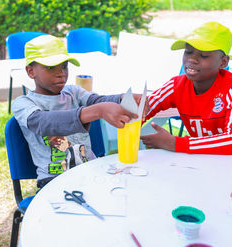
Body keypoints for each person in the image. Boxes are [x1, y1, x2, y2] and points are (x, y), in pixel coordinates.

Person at [140, 22, 232, 165]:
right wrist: (131, 121)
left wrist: (176, 143)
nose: (192, 59)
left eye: (204, 55)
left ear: (223, 62)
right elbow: (142, 110)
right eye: (188, 52)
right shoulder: (176, 86)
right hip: (217, 164)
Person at [12, 34, 140, 188]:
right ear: (31, 71)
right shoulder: (24, 104)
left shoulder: (74, 92)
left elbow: (97, 101)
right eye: (51, 67)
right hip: (54, 180)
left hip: (89, 170)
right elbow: (43, 122)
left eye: (64, 66)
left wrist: (122, 99)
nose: (61, 73)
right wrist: (98, 111)